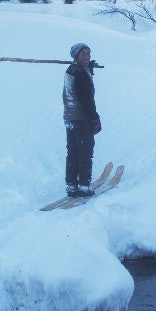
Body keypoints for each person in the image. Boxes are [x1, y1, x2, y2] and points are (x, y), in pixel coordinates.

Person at [63, 43, 102, 197]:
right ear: (76, 56)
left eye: (89, 53)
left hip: (69, 117)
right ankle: (84, 186)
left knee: (72, 152)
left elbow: (78, 83)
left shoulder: (71, 70)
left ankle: (71, 186)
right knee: (85, 152)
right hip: (81, 119)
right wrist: (95, 119)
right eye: (83, 54)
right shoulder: (80, 74)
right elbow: (86, 100)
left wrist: (88, 68)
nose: (87, 56)